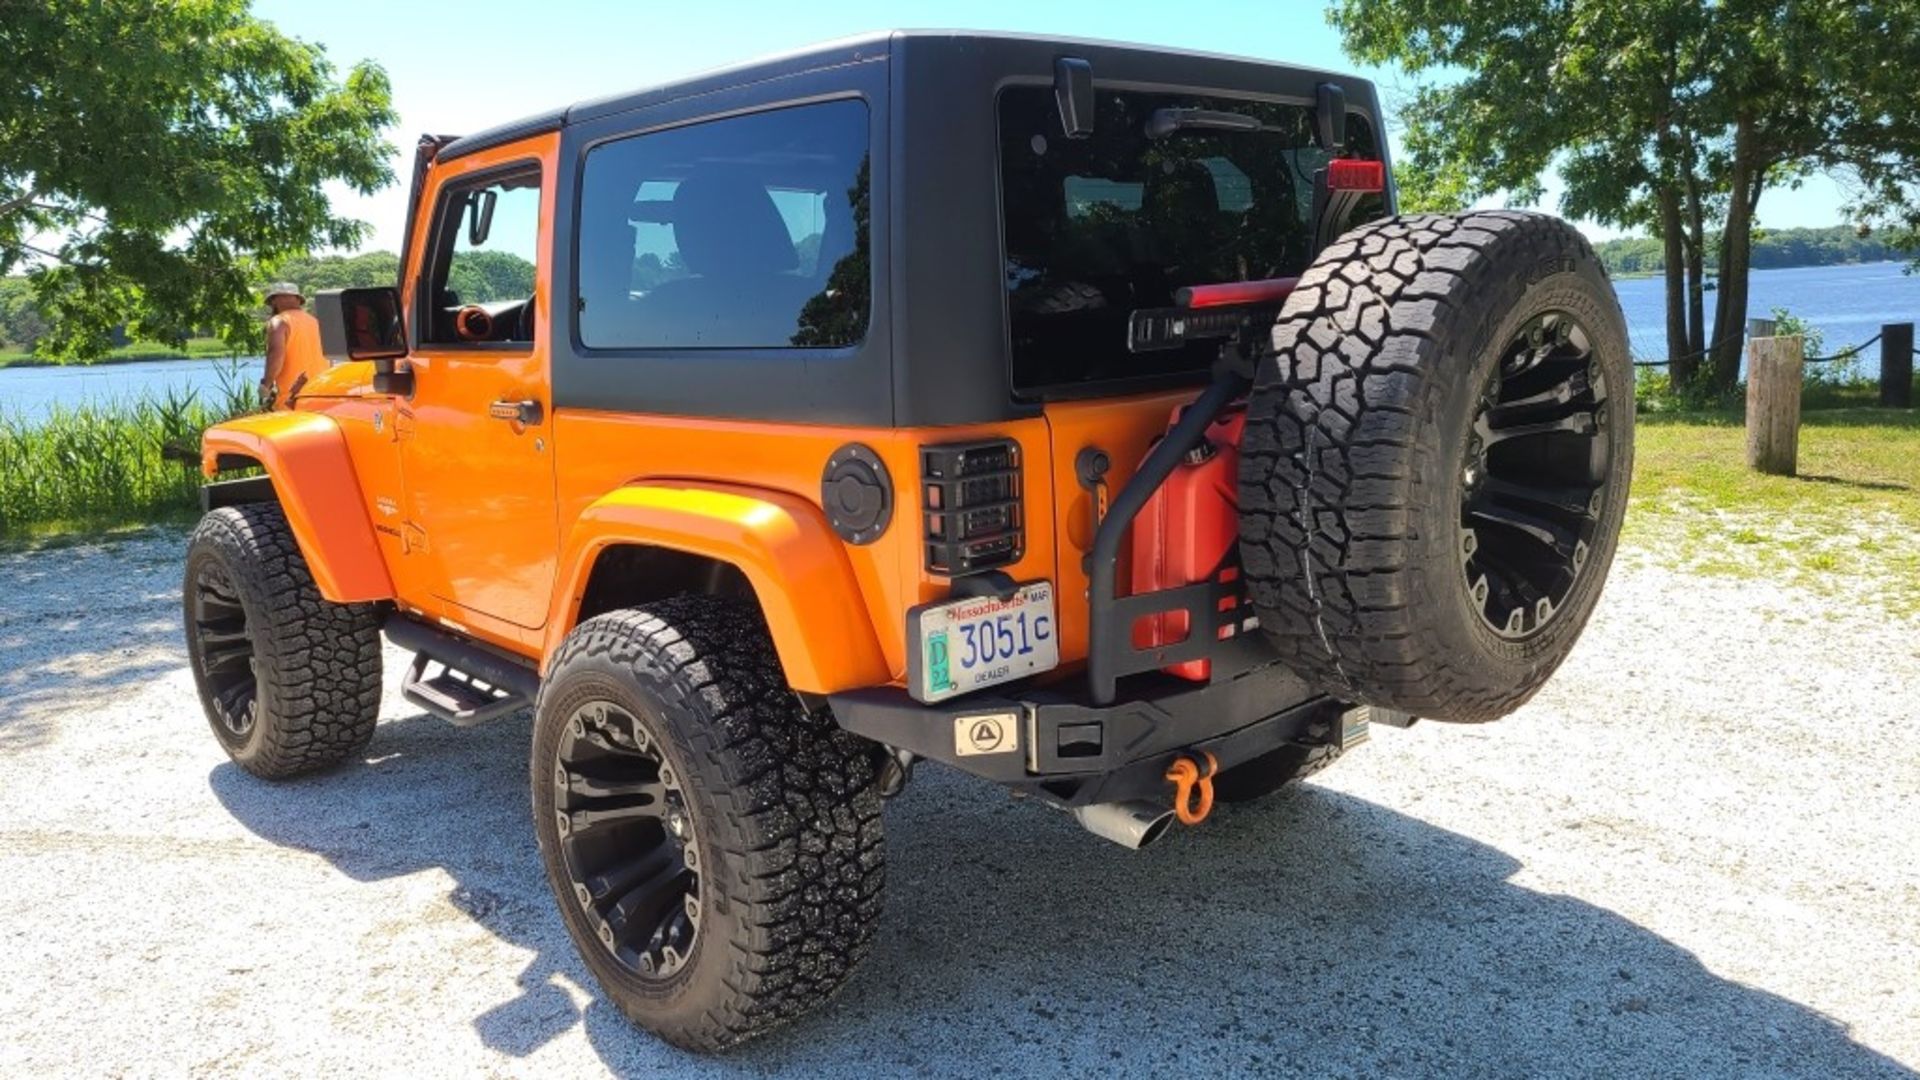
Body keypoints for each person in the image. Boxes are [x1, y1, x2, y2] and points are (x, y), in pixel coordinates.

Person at [260, 282, 326, 409]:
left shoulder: (279, 322)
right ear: (298, 299)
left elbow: (276, 355)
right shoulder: (315, 322)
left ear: (274, 301)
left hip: (292, 399)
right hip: (320, 395)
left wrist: (266, 386)